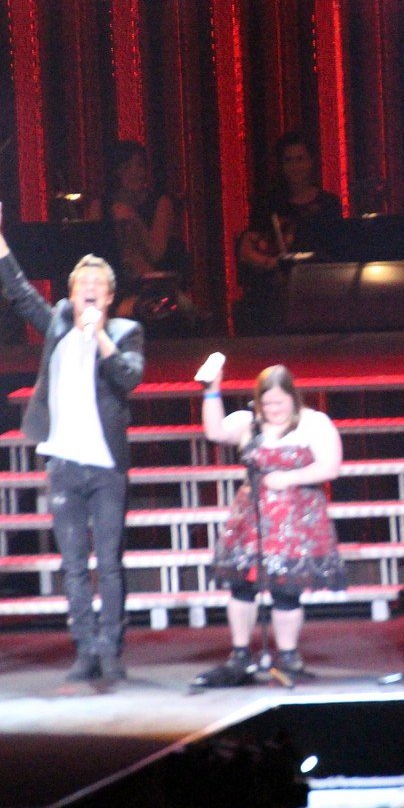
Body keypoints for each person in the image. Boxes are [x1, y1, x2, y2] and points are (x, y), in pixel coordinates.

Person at [0, 194, 145, 682]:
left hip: (107, 466)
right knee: (72, 565)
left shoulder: (127, 332)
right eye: (80, 284)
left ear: (108, 297)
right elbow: (19, 290)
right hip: (64, 463)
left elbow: (128, 379)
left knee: (108, 561)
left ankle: (112, 646)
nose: (88, 290)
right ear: (70, 294)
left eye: (97, 286)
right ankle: (85, 648)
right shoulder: (58, 325)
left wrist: (100, 335)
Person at [193, 361, 346, 687]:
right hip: (253, 519)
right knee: (242, 586)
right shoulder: (250, 423)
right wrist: (211, 390)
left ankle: (289, 656)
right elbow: (215, 431)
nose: (273, 409)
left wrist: (288, 478)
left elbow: (330, 467)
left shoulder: (314, 423)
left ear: (293, 397)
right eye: (267, 403)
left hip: (296, 519)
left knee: (286, 589)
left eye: (280, 402)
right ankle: (240, 655)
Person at [236, 131, 343, 333]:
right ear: (282, 166)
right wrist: (271, 263)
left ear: (311, 162)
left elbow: (337, 250)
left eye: (301, 159)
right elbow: (246, 249)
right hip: (277, 285)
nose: (296, 166)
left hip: (318, 284)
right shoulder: (269, 203)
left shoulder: (328, 204)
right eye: (289, 160)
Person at [88, 140, 195, 331]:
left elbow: (156, 254)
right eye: (128, 166)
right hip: (114, 283)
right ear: (117, 172)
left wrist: (135, 219)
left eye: (140, 165)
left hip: (153, 283)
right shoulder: (100, 205)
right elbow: (92, 253)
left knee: (175, 306)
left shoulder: (160, 202)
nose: (136, 172)